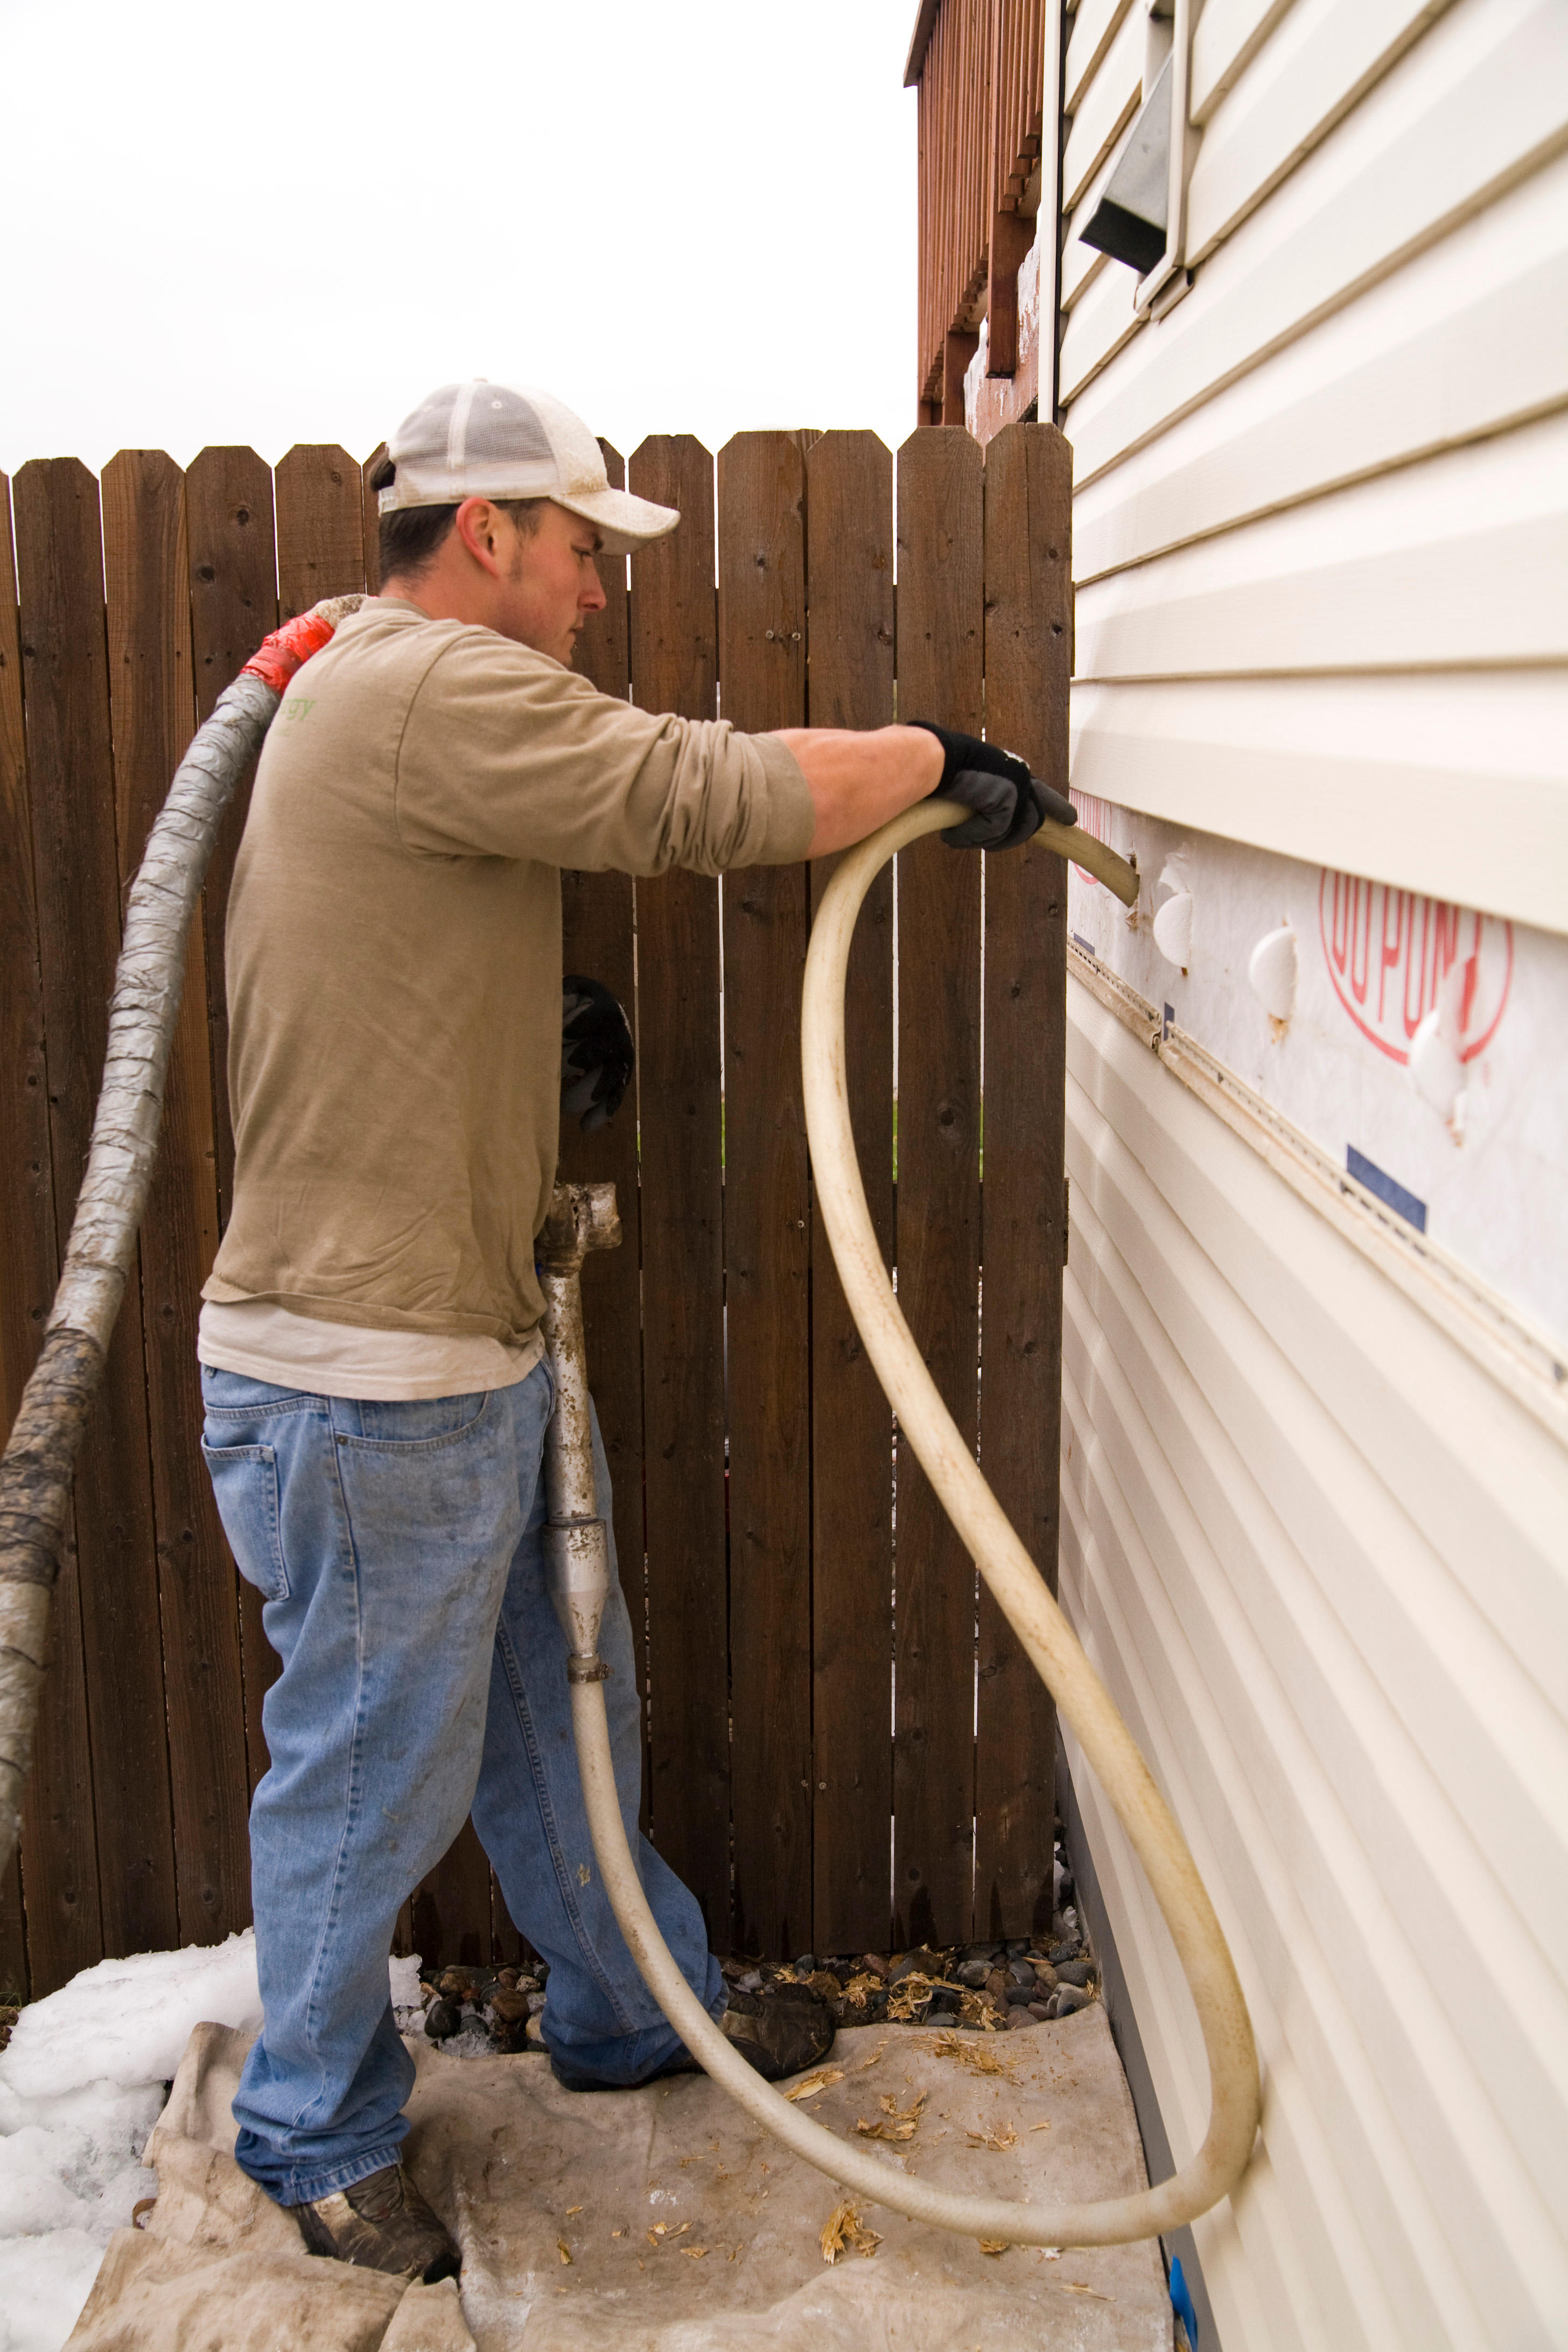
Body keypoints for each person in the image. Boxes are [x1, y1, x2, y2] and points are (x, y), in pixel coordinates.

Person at [195, 379, 1071, 2282]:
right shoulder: (431, 681)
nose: (601, 592)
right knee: (370, 1770)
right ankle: (313, 2131)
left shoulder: (376, 694)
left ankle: (624, 2012)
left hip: (450, 1341)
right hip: (370, 1376)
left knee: (561, 1700)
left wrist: (533, 1023)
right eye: (586, 550)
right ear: (489, 528)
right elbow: (708, 797)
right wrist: (935, 756)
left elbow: (395, 929)